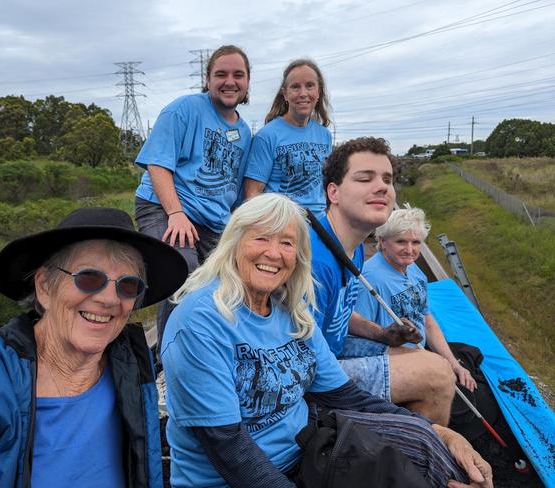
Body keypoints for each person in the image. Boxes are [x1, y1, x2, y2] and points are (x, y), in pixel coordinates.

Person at [161, 193, 491, 488]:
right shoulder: (201, 322)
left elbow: (347, 397)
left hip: (307, 451)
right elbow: (228, 447)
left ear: (298, 257)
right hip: (241, 476)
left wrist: (438, 431)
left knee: (428, 447)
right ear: (233, 244)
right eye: (260, 238)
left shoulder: (290, 311)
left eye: (287, 243)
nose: (274, 253)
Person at [0, 207, 188, 487]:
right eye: (89, 278)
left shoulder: (130, 363)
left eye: (128, 286)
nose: (109, 299)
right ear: (44, 286)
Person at [311, 137, 457, 425]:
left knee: (416, 355)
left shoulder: (352, 250)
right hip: (315, 377)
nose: (381, 186)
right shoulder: (315, 259)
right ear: (334, 192)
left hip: (334, 349)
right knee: (438, 375)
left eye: (387, 180)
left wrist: (381, 334)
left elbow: (337, 312)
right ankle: (426, 446)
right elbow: (300, 357)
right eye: (365, 178)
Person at [134, 45, 252, 348]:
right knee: (182, 273)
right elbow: (158, 163)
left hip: (212, 221)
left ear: (248, 81)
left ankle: (208, 345)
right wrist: (176, 213)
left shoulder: (245, 132)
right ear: (208, 79)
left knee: (226, 282)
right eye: (221, 74)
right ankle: (172, 353)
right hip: (166, 206)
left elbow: (235, 191)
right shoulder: (184, 109)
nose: (230, 81)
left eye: (238, 75)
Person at [354, 206, 477, 391]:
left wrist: (452, 363)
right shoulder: (369, 281)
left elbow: (426, 319)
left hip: (420, 351)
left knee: (470, 358)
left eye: (416, 242)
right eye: (401, 242)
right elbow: (360, 338)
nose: (409, 250)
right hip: (394, 363)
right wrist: (429, 363)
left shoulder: (414, 270)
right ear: (383, 241)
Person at [243, 59, 332, 217]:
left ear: (319, 93)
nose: (303, 93)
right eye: (295, 87)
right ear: (285, 93)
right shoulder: (267, 136)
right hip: (283, 222)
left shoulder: (324, 135)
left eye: (310, 86)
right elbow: (252, 194)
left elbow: (327, 187)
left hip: (320, 224)